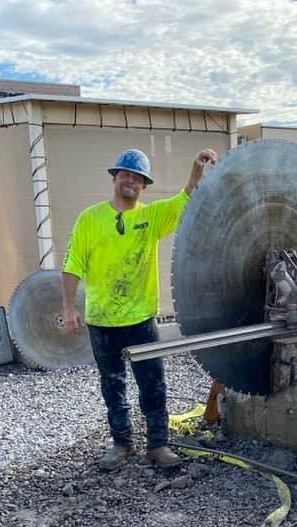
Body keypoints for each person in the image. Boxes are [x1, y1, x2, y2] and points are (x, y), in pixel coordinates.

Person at [61, 147, 218, 470]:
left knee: (153, 384)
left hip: (141, 318)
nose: (130, 181)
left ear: (144, 186)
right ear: (115, 178)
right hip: (102, 320)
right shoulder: (90, 219)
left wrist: (195, 170)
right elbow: (72, 264)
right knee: (112, 383)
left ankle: (158, 445)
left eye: (137, 178)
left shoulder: (151, 217)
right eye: (125, 175)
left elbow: (183, 200)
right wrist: (69, 306)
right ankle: (120, 444)